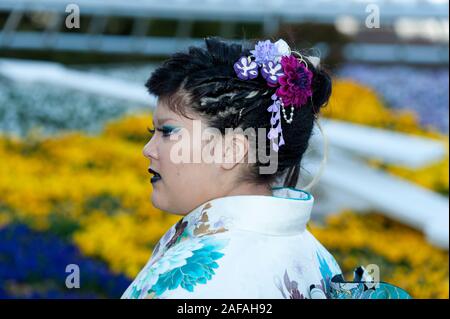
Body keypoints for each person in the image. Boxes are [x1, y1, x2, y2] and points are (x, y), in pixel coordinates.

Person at [121, 37, 411, 299]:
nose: (148, 149)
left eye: (167, 131)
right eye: (152, 130)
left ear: (231, 150)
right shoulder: (315, 255)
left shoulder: (193, 287)